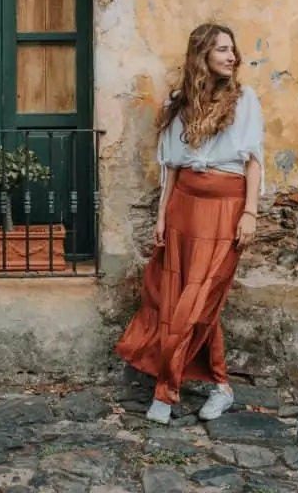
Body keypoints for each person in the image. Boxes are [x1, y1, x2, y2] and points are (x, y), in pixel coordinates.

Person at [116, 23, 264, 425]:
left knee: (198, 303)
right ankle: (221, 387)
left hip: (226, 212)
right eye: (221, 50)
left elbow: (253, 161)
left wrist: (250, 212)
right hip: (184, 209)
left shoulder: (246, 99)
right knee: (180, 301)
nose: (231, 56)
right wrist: (162, 217)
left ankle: (166, 391)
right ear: (202, 56)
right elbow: (173, 170)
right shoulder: (181, 104)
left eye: (233, 49)